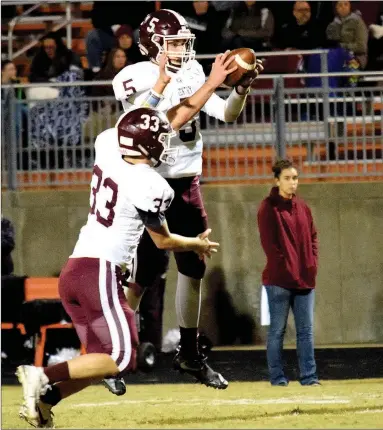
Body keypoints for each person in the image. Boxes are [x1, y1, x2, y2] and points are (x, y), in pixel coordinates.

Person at [16, 51, 238, 429]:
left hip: (74, 271)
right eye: (159, 141)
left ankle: (45, 404)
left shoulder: (106, 143)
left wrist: (158, 88)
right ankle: (43, 376)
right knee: (121, 358)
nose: (163, 144)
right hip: (99, 273)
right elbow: (164, 242)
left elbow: (133, 121)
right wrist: (197, 245)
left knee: (103, 358)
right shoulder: (150, 183)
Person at [108, 8, 263, 394]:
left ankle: (190, 353)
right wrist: (212, 82)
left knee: (193, 270)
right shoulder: (135, 77)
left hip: (187, 183)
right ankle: (115, 356)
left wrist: (239, 89)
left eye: (184, 41)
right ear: (152, 45)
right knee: (140, 277)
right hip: (148, 183)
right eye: (174, 42)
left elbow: (225, 114)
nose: (182, 48)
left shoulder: (193, 71)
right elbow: (157, 122)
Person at [257, 159, 320, 387]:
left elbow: (313, 237)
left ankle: (309, 377)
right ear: (277, 180)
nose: (292, 183)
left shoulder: (302, 207)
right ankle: (277, 378)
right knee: (277, 332)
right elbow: (269, 245)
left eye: (295, 178)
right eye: (287, 178)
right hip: (279, 281)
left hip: (305, 279)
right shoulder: (268, 207)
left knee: (306, 332)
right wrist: (286, 268)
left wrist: (312, 263)